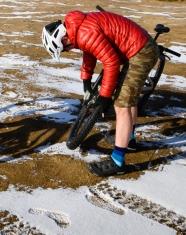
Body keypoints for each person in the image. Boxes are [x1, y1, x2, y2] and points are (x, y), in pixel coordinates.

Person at [42, 9, 158, 177]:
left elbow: (111, 63)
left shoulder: (84, 33)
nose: (67, 51)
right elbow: (89, 52)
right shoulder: (76, 28)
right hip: (135, 47)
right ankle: (130, 140)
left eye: (65, 49)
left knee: (121, 105)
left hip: (141, 51)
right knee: (128, 99)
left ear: (65, 39)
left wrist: (104, 97)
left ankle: (117, 162)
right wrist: (86, 80)